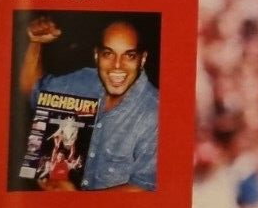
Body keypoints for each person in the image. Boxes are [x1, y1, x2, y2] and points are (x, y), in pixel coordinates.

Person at [19, 16, 159, 191]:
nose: (117, 65)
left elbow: (144, 190)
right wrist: (35, 43)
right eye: (108, 54)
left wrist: (77, 200)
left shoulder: (156, 112)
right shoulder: (84, 81)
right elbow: (33, 90)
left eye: (129, 56)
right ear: (96, 55)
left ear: (142, 59)